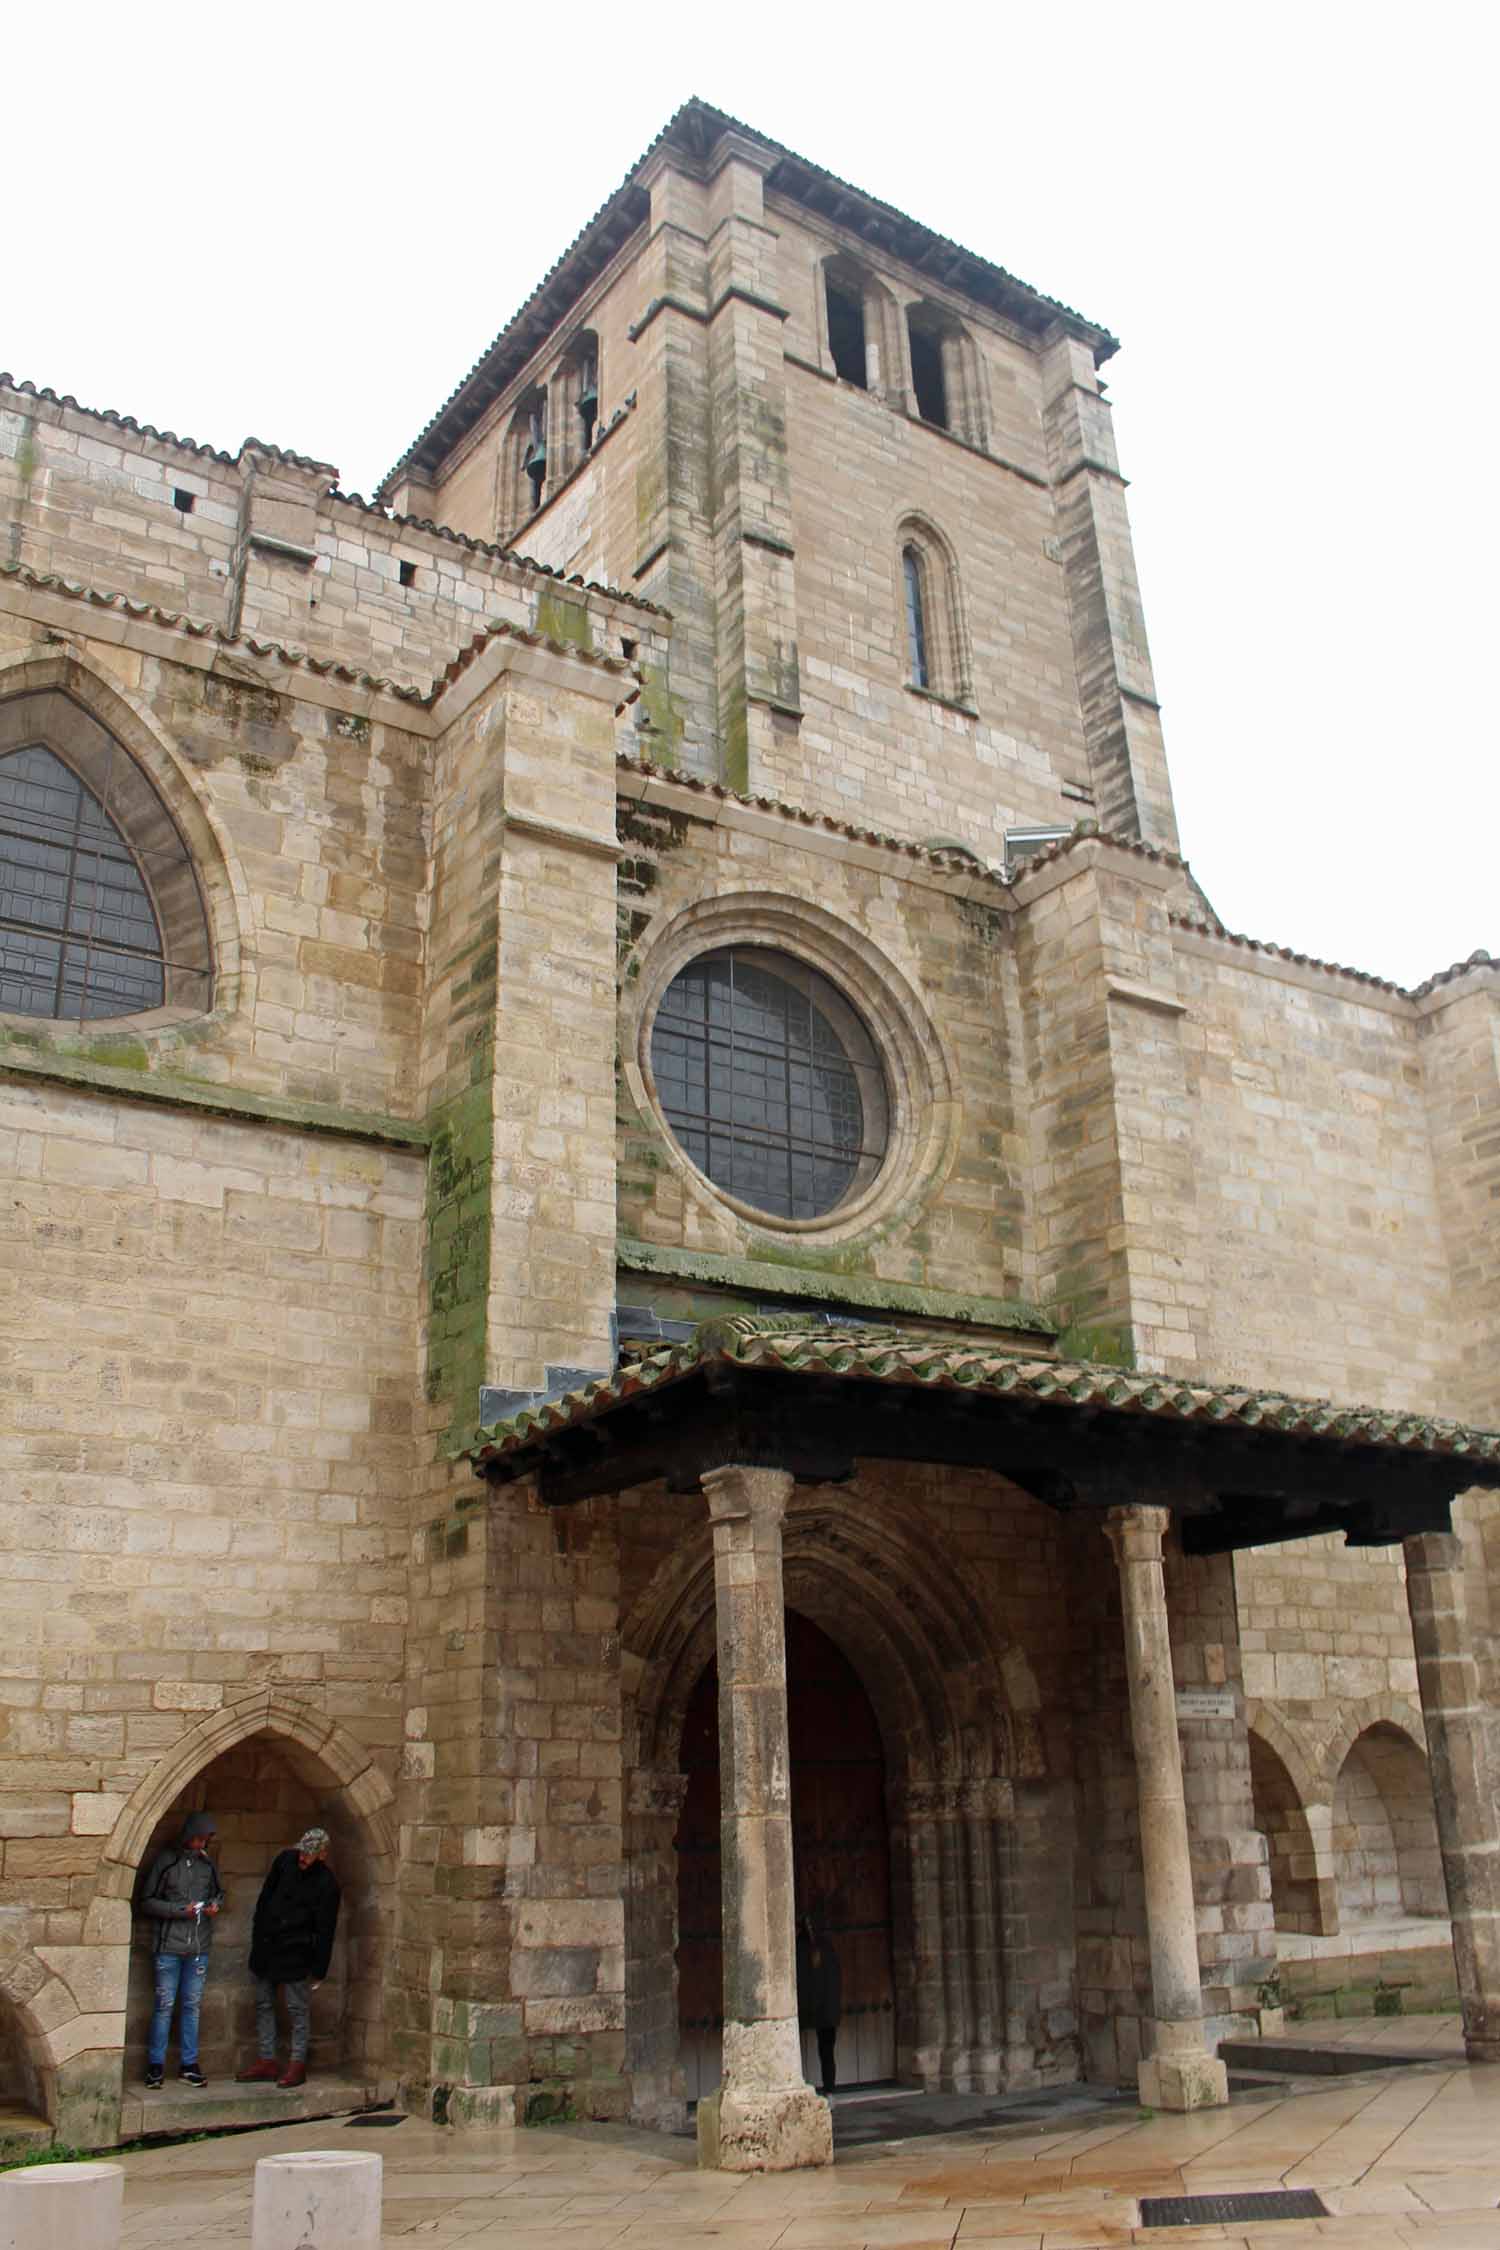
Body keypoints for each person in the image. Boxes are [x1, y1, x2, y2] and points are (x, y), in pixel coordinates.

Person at [236, 1827, 342, 2088]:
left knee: (297, 2009)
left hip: (297, 1952)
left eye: (310, 1855)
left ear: (322, 1855)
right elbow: (265, 1899)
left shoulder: (327, 1883)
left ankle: (297, 2064)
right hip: (269, 1947)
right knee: (263, 2003)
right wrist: (259, 1935)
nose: (303, 1858)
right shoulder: (285, 1861)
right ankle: (267, 2059)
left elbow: (326, 1929)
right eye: (302, 1852)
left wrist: (319, 1968)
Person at [139, 1809, 224, 2089]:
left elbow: (219, 1893)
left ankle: (189, 2064)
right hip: (169, 1946)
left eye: (204, 1840)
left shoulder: (207, 1865)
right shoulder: (167, 1860)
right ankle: (156, 2065)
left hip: (199, 1945)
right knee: (164, 2006)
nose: (201, 1845)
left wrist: (214, 1906)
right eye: (198, 1839)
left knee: (192, 2006)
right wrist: (179, 1910)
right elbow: (147, 1900)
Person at [795, 1897, 843, 2095]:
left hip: (822, 2008)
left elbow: (832, 1980)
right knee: (793, 2049)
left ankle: (830, 2091)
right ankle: (796, 2088)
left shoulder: (824, 1947)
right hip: (812, 2007)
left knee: (826, 2050)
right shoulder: (802, 1946)